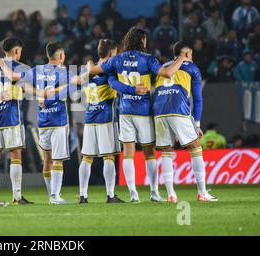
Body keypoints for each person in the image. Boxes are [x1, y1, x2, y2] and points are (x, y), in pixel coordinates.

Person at [87, 27, 189, 202]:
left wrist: (89, 63)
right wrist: (180, 57)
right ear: (142, 40)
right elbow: (167, 73)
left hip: (125, 112)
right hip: (143, 112)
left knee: (128, 153)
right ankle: (154, 193)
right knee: (149, 152)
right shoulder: (148, 59)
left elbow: (95, 70)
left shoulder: (118, 59)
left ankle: (133, 194)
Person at [0, 41, 72, 204]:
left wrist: (2, 64)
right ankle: (55, 196)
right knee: (58, 160)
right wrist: (49, 100)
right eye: (63, 54)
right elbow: (67, 90)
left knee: (47, 160)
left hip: (43, 121)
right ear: (60, 56)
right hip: (58, 119)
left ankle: (51, 195)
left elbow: (14, 77)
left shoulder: (36, 70)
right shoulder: (64, 72)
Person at [71, 39, 145, 204]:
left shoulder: (87, 70)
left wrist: (89, 67)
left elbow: (74, 82)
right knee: (109, 157)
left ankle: (83, 196)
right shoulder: (111, 69)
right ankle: (110, 195)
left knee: (87, 158)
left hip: (90, 118)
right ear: (112, 53)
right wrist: (134, 89)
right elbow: (117, 85)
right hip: (106, 118)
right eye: (116, 53)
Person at [153, 41, 217, 202]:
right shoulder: (192, 68)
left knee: (167, 151)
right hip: (178, 111)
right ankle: (202, 193)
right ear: (186, 54)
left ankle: (171, 194)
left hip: (159, 113)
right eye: (191, 54)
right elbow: (198, 99)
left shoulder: (162, 67)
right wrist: (197, 125)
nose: (192, 57)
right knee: (195, 147)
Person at [0, 37, 34, 206]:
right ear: (17, 51)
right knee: (15, 154)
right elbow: (24, 89)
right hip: (12, 117)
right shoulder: (24, 68)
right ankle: (17, 196)